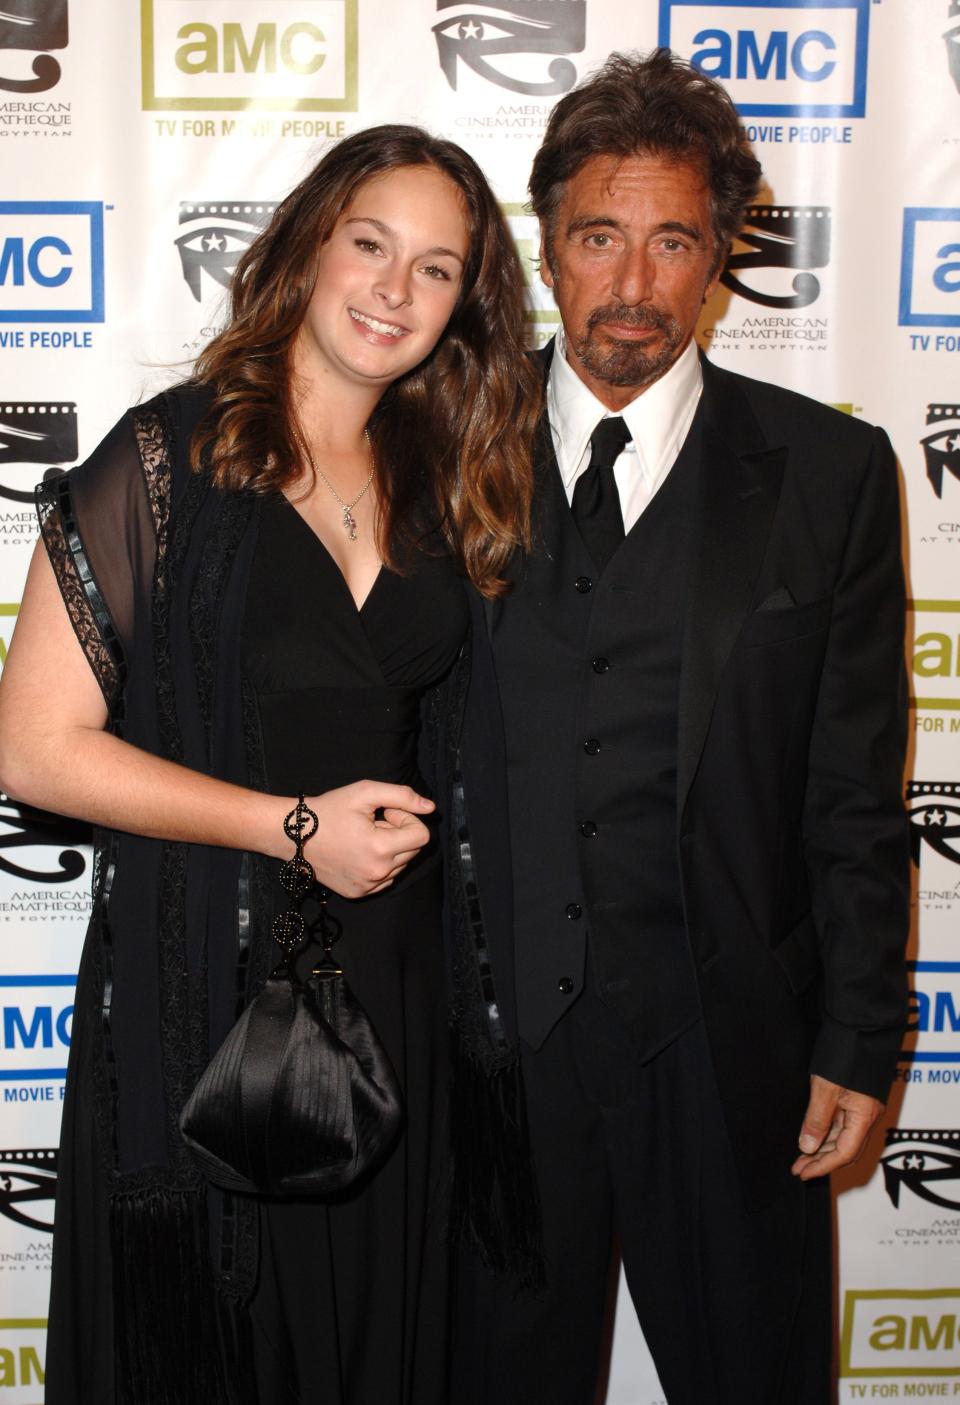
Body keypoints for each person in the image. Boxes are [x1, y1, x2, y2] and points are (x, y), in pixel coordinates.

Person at [0, 124, 538, 1404]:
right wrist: (293, 826)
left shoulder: (448, 482)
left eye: (438, 268)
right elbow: (35, 748)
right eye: (370, 244)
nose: (393, 290)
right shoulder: (165, 461)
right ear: (309, 244)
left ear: (466, 306)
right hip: (212, 995)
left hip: (399, 1000)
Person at [447, 50, 909, 1404]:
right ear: (547, 244)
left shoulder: (828, 474)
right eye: (601, 237)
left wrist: (861, 1036)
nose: (634, 286)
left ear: (720, 258)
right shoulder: (437, 450)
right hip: (491, 1053)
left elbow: (852, 785)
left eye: (673, 242)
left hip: (731, 1052)